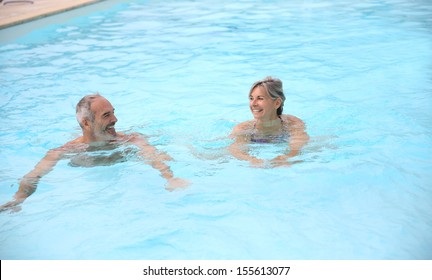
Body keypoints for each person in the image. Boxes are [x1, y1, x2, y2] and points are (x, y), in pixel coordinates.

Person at [1, 93, 188, 212]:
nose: (116, 119)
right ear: (86, 123)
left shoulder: (130, 139)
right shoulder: (66, 151)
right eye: (107, 115)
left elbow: (153, 157)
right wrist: (18, 199)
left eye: (113, 112)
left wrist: (170, 178)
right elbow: (34, 175)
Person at [229, 77, 309, 167]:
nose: (253, 104)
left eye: (260, 98)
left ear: (277, 103)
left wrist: (286, 157)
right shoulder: (244, 128)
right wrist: (251, 160)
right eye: (251, 98)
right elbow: (236, 150)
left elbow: (299, 146)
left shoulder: (292, 123)